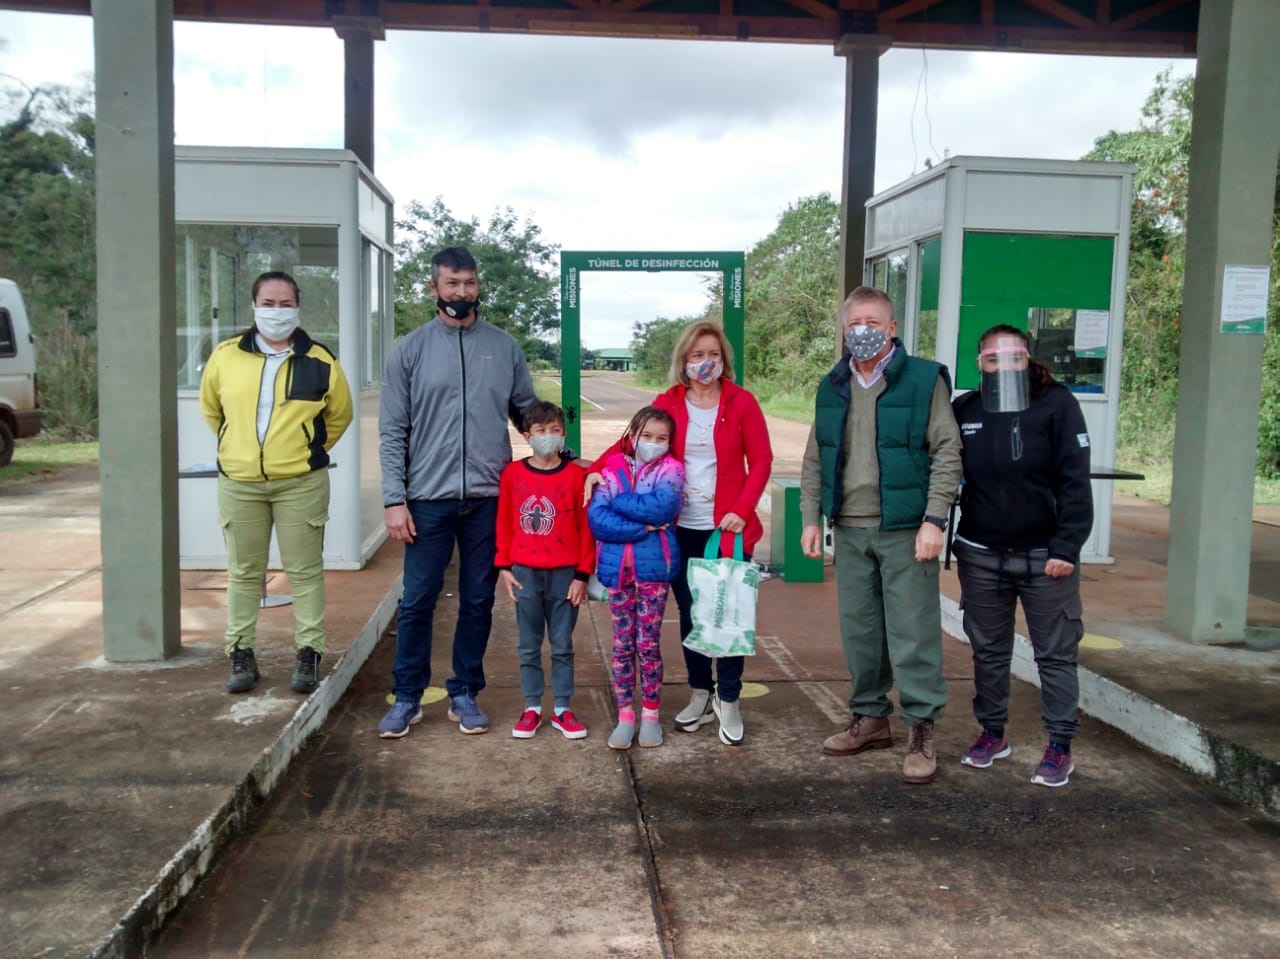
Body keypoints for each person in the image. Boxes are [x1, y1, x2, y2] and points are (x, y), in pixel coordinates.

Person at [799, 286, 962, 785]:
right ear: (844, 330)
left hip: (905, 528)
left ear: (892, 328)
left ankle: (920, 727)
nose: (862, 331)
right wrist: (811, 516)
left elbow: (947, 451)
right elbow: (815, 456)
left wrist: (935, 519)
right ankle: (871, 718)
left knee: (912, 632)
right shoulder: (833, 384)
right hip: (849, 527)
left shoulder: (922, 379)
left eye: (872, 322)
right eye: (853, 324)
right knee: (862, 631)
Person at [586, 321, 773, 746]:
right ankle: (700, 693)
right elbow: (627, 443)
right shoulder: (669, 402)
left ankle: (729, 698)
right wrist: (594, 472)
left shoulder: (742, 402)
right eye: (696, 356)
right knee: (690, 613)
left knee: (726, 613)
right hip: (678, 529)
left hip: (727, 529)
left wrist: (742, 510)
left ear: (723, 358)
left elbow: (761, 460)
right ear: (683, 362)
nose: (705, 363)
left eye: (713, 354)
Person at [377, 246, 537, 739]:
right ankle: (407, 697)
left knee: (477, 599)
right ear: (434, 288)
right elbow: (393, 431)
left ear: (477, 286)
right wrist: (393, 498)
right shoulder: (410, 350)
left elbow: (528, 412)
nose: (461, 292)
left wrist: (563, 454)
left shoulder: (503, 347)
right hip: (426, 498)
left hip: (490, 498)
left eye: (468, 283)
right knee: (419, 598)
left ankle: (465, 690)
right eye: (451, 283)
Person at [951, 324, 1094, 788]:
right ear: (980, 363)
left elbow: (1075, 479)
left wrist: (1066, 547)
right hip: (981, 554)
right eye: (993, 359)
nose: (1003, 366)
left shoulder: (1057, 404)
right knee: (989, 652)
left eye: (1013, 358)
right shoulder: (966, 409)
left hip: (1044, 557)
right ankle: (992, 733)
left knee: (1054, 654)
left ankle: (1060, 747)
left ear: (1027, 359)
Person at [199, 270, 353, 695]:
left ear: (298, 307)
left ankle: (309, 653)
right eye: (268, 303)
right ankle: (241, 652)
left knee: (304, 572)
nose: (277, 311)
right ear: (254, 307)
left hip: (300, 482)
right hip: (240, 482)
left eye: (285, 304)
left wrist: (303, 449)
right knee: (245, 572)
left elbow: (338, 415)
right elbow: (213, 410)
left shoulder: (320, 359)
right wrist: (239, 449)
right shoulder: (226, 356)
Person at [495, 401, 596, 740]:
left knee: (562, 643)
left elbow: (586, 529)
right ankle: (532, 706)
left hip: (565, 575)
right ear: (527, 436)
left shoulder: (575, 476)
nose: (547, 437)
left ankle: (563, 708)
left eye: (554, 430)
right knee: (528, 644)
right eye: (540, 431)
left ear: (564, 435)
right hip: (524, 572)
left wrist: (582, 575)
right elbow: (506, 522)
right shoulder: (512, 474)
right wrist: (504, 566)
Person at [587, 406, 685, 751]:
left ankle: (651, 714)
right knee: (622, 645)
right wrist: (642, 527)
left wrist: (620, 503)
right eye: (646, 436)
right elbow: (597, 518)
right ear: (631, 437)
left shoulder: (672, 470)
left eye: (662, 438)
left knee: (647, 644)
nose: (653, 444)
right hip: (616, 572)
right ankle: (625, 714)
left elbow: (662, 508)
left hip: (654, 571)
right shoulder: (611, 469)